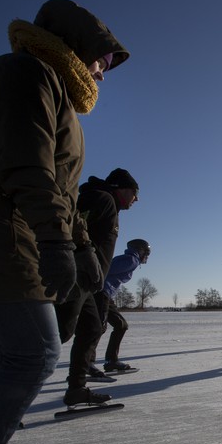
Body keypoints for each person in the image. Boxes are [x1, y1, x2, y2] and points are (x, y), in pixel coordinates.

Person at [0, 0, 128, 444]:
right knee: (33, 353)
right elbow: (29, 172)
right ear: (76, 49)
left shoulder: (52, 88)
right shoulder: (29, 75)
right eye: (101, 61)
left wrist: (80, 245)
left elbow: (63, 190)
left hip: (3, 231)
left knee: (2, 357)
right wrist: (58, 244)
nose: (103, 74)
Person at [55, 168, 140, 403]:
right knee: (58, 333)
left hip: (90, 284)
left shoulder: (107, 203)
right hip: (76, 277)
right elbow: (70, 226)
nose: (136, 199)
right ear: (121, 188)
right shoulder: (101, 198)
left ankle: (76, 389)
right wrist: (81, 258)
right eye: (134, 193)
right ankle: (8, 397)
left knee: (92, 328)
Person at [94, 239, 151, 371]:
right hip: (101, 293)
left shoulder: (127, 258)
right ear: (140, 250)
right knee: (97, 329)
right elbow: (104, 271)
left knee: (120, 325)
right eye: (146, 253)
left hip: (105, 294)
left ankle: (111, 361)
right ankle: (87, 364)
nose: (146, 256)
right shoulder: (131, 260)